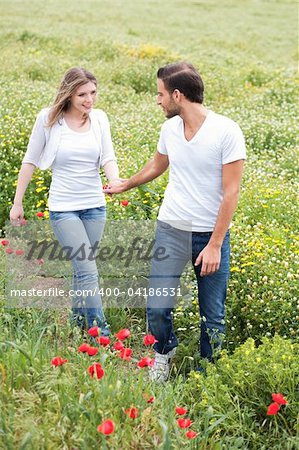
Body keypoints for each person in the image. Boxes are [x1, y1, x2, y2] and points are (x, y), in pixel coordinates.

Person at [104, 62, 246, 380]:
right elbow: (158, 165)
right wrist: (126, 184)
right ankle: (164, 353)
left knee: (213, 316)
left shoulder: (226, 131)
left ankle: (209, 378)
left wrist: (214, 244)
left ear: (177, 95)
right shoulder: (170, 129)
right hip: (171, 228)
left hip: (210, 236)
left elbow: (231, 191)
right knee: (157, 305)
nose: (158, 101)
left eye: (160, 94)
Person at [10, 67, 121, 335]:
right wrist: (17, 202)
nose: (89, 100)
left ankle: (77, 325)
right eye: (82, 94)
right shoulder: (49, 119)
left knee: (82, 270)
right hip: (64, 207)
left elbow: (108, 156)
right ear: (69, 94)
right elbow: (30, 160)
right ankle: (101, 334)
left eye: (93, 93)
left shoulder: (100, 119)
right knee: (88, 270)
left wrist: (115, 181)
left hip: (95, 205)